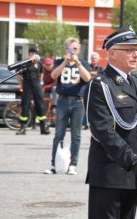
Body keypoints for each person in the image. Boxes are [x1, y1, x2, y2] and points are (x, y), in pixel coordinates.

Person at [84, 25, 137, 219]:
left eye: (136, 50)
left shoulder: (136, 83)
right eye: (129, 50)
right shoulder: (100, 84)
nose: (135, 54)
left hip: (133, 174)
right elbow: (103, 131)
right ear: (112, 54)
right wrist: (134, 162)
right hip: (109, 174)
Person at [45, 37, 91, 175]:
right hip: (62, 101)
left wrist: (78, 64)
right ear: (66, 49)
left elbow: (88, 78)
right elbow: (53, 75)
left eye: (75, 49)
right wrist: (65, 62)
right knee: (59, 134)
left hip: (78, 102)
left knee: (76, 135)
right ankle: (54, 164)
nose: (73, 51)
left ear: (79, 50)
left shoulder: (83, 63)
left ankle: (73, 164)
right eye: (70, 49)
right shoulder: (60, 62)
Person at [16, 48, 50, 135]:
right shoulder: (24, 63)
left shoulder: (38, 63)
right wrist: (21, 85)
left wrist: (40, 83)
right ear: (30, 54)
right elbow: (18, 75)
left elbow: (42, 73)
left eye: (36, 54)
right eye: (33, 54)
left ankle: (43, 128)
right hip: (27, 84)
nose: (35, 55)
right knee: (25, 105)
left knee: (40, 105)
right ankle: (22, 128)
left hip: (36, 84)